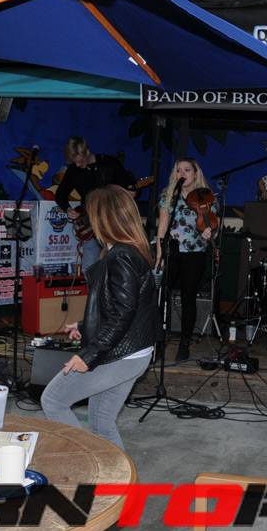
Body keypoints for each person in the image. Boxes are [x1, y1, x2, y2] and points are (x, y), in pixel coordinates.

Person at [41, 185, 159, 450]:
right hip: (134, 352)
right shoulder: (129, 250)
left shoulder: (121, 255)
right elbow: (125, 308)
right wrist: (86, 326)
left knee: (53, 400)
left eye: (92, 214)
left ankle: (82, 462)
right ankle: (116, 476)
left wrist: (89, 355)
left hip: (120, 355)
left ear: (103, 217)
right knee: (102, 420)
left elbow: (124, 313)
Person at [155, 159, 217, 361]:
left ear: (196, 173)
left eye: (187, 170)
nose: (182, 174)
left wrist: (209, 233)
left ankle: (184, 343)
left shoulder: (206, 197)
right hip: (172, 251)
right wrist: (160, 256)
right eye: (179, 170)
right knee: (161, 296)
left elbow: (212, 228)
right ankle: (158, 342)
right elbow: (162, 229)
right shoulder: (169, 197)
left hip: (195, 252)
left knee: (188, 297)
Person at [54, 136, 135, 272]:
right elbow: (60, 194)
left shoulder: (110, 163)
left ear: (87, 151)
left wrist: (132, 192)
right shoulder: (74, 170)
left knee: (117, 269)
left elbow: (129, 186)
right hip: (90, 227)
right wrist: (68, 209)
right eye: (75, 162)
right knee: (90, 270)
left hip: (114, 224)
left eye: (80, 161)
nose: (77, 165)